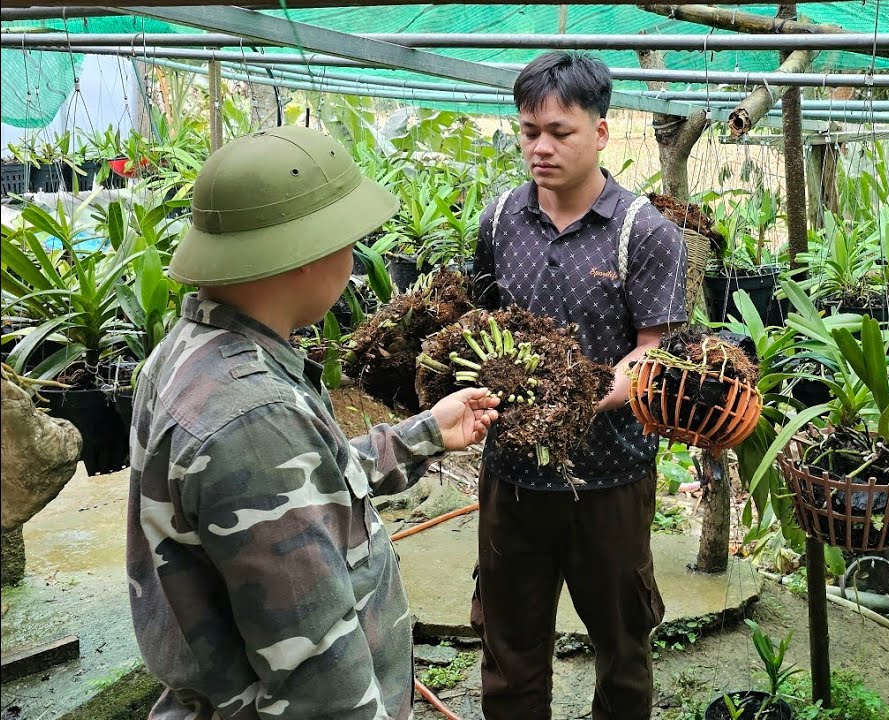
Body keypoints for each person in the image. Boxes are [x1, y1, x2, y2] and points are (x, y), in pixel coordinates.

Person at [125, 125, 499, 720]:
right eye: (348, 242)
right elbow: (320, 682)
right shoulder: (252, 416)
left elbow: (299, 484)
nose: (352, 260)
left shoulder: (196, 352)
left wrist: (425, 433)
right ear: (305, 256)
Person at [470, 51, 689, 719]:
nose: (540, 147)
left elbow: (652, 353)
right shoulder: (500, 219)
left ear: (600, 131)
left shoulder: (643, 233)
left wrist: (579, 401)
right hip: (511, 477)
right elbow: (479, 322)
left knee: (623, 646)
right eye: (528, 130)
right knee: (508, 649)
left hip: (609, 479)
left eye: (559, 132)